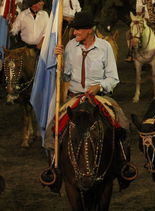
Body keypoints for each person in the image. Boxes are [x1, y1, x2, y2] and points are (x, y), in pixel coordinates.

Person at [53, 11, 133, 188]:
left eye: (78, 30)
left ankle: (123, 167)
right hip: (75, 97)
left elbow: (113, 78)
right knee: (54, 126)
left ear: (89, 30)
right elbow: (65, 77)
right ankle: (55, 169)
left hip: (99, 97)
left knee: (123, 124)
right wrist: (58, 61)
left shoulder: (105, 47)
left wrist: (100, 86)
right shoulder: (69, 47)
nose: (74, 33)